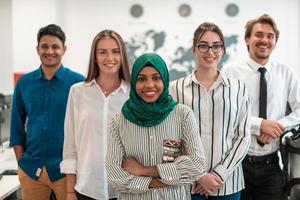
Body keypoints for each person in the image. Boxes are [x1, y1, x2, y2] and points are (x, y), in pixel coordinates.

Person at [105, 53, 206, 200]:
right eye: (141, 79)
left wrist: (142, 170)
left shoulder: (183, 115)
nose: (149, 85)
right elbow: (115, 176)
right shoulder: (118, 122)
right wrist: (165, 180)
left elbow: (197, 166)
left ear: (164, 79)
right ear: (133, 82)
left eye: (156, 78)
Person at [222, 14, 300, 200]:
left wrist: (276, 126)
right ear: (247, 39)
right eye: (258, 34)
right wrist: (259, 124)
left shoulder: (286, 72)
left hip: (271, 165)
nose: (264, 40)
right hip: (236, 164)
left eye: (270, 36)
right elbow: (224, 113)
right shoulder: (229, 72)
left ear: (275, 42)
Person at [170, 22, 251, 200]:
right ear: (194, 49)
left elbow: (243, 136)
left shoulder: (239, 89)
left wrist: (218, 175)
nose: (210, 51)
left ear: (223, 49)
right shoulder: (174, 90)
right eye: (203, 46)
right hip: (187, 185)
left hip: (227, 185)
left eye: (216, 46)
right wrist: (199, 175)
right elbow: (171, 138)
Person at [10, 24, 84, 200]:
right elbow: (16, 126)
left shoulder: (79, 83)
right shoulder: (24, 83)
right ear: (37, 49)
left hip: (67, 171)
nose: (49, 51)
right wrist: (21, 164)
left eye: (55, 47)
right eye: (44, 46)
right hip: (31, 171)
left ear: (64, 49)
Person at [60, 30, 131, 200]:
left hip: (124, 189)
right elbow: (70, 145)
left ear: (122, 56)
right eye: (102, 52)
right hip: (86, 189)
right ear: (95, 57)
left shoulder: (133, 94)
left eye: (115, 51)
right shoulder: (77, 92)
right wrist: (70, 192)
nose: (109, 58)